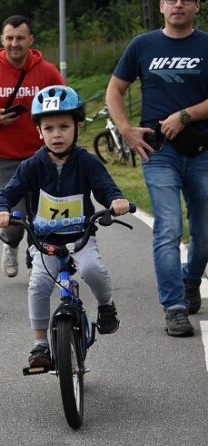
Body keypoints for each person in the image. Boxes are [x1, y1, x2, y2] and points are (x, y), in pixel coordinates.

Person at [0, 85, 130, 369]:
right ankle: (40, 344)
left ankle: (106, 306)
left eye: (64, 126)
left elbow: (105, 188)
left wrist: (116, 200)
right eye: (50, 128)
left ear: (77, 128)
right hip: (44, 241)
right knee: (39, 284)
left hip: (80, 236)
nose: (57, 134)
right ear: (39, 132)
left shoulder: (87, 163)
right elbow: (8, 191)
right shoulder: (32, 165)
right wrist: (2, 210)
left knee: (93, 269)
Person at [106, 0, 208, 338]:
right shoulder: (142, 45)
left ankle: (191, 279)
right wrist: (125, 129)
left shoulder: (206, 44)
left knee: (204, 232)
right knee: (168, 227)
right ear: (162, 6)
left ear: (196, 5)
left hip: (202, 152)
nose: (178, 4)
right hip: (158, 153)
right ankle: (174, 308)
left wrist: (185, 115)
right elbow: (115, 89)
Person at [0, 15, 64, 278]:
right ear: (2, 40)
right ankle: (10, 243)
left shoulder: (47, 71)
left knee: (42, 215)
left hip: (43, 156)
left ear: (30, 40)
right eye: (9, 38)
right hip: (4, 158)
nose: (15, 43)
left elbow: (65, 104)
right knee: (14, 217)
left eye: (20, 38)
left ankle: (38, 261)